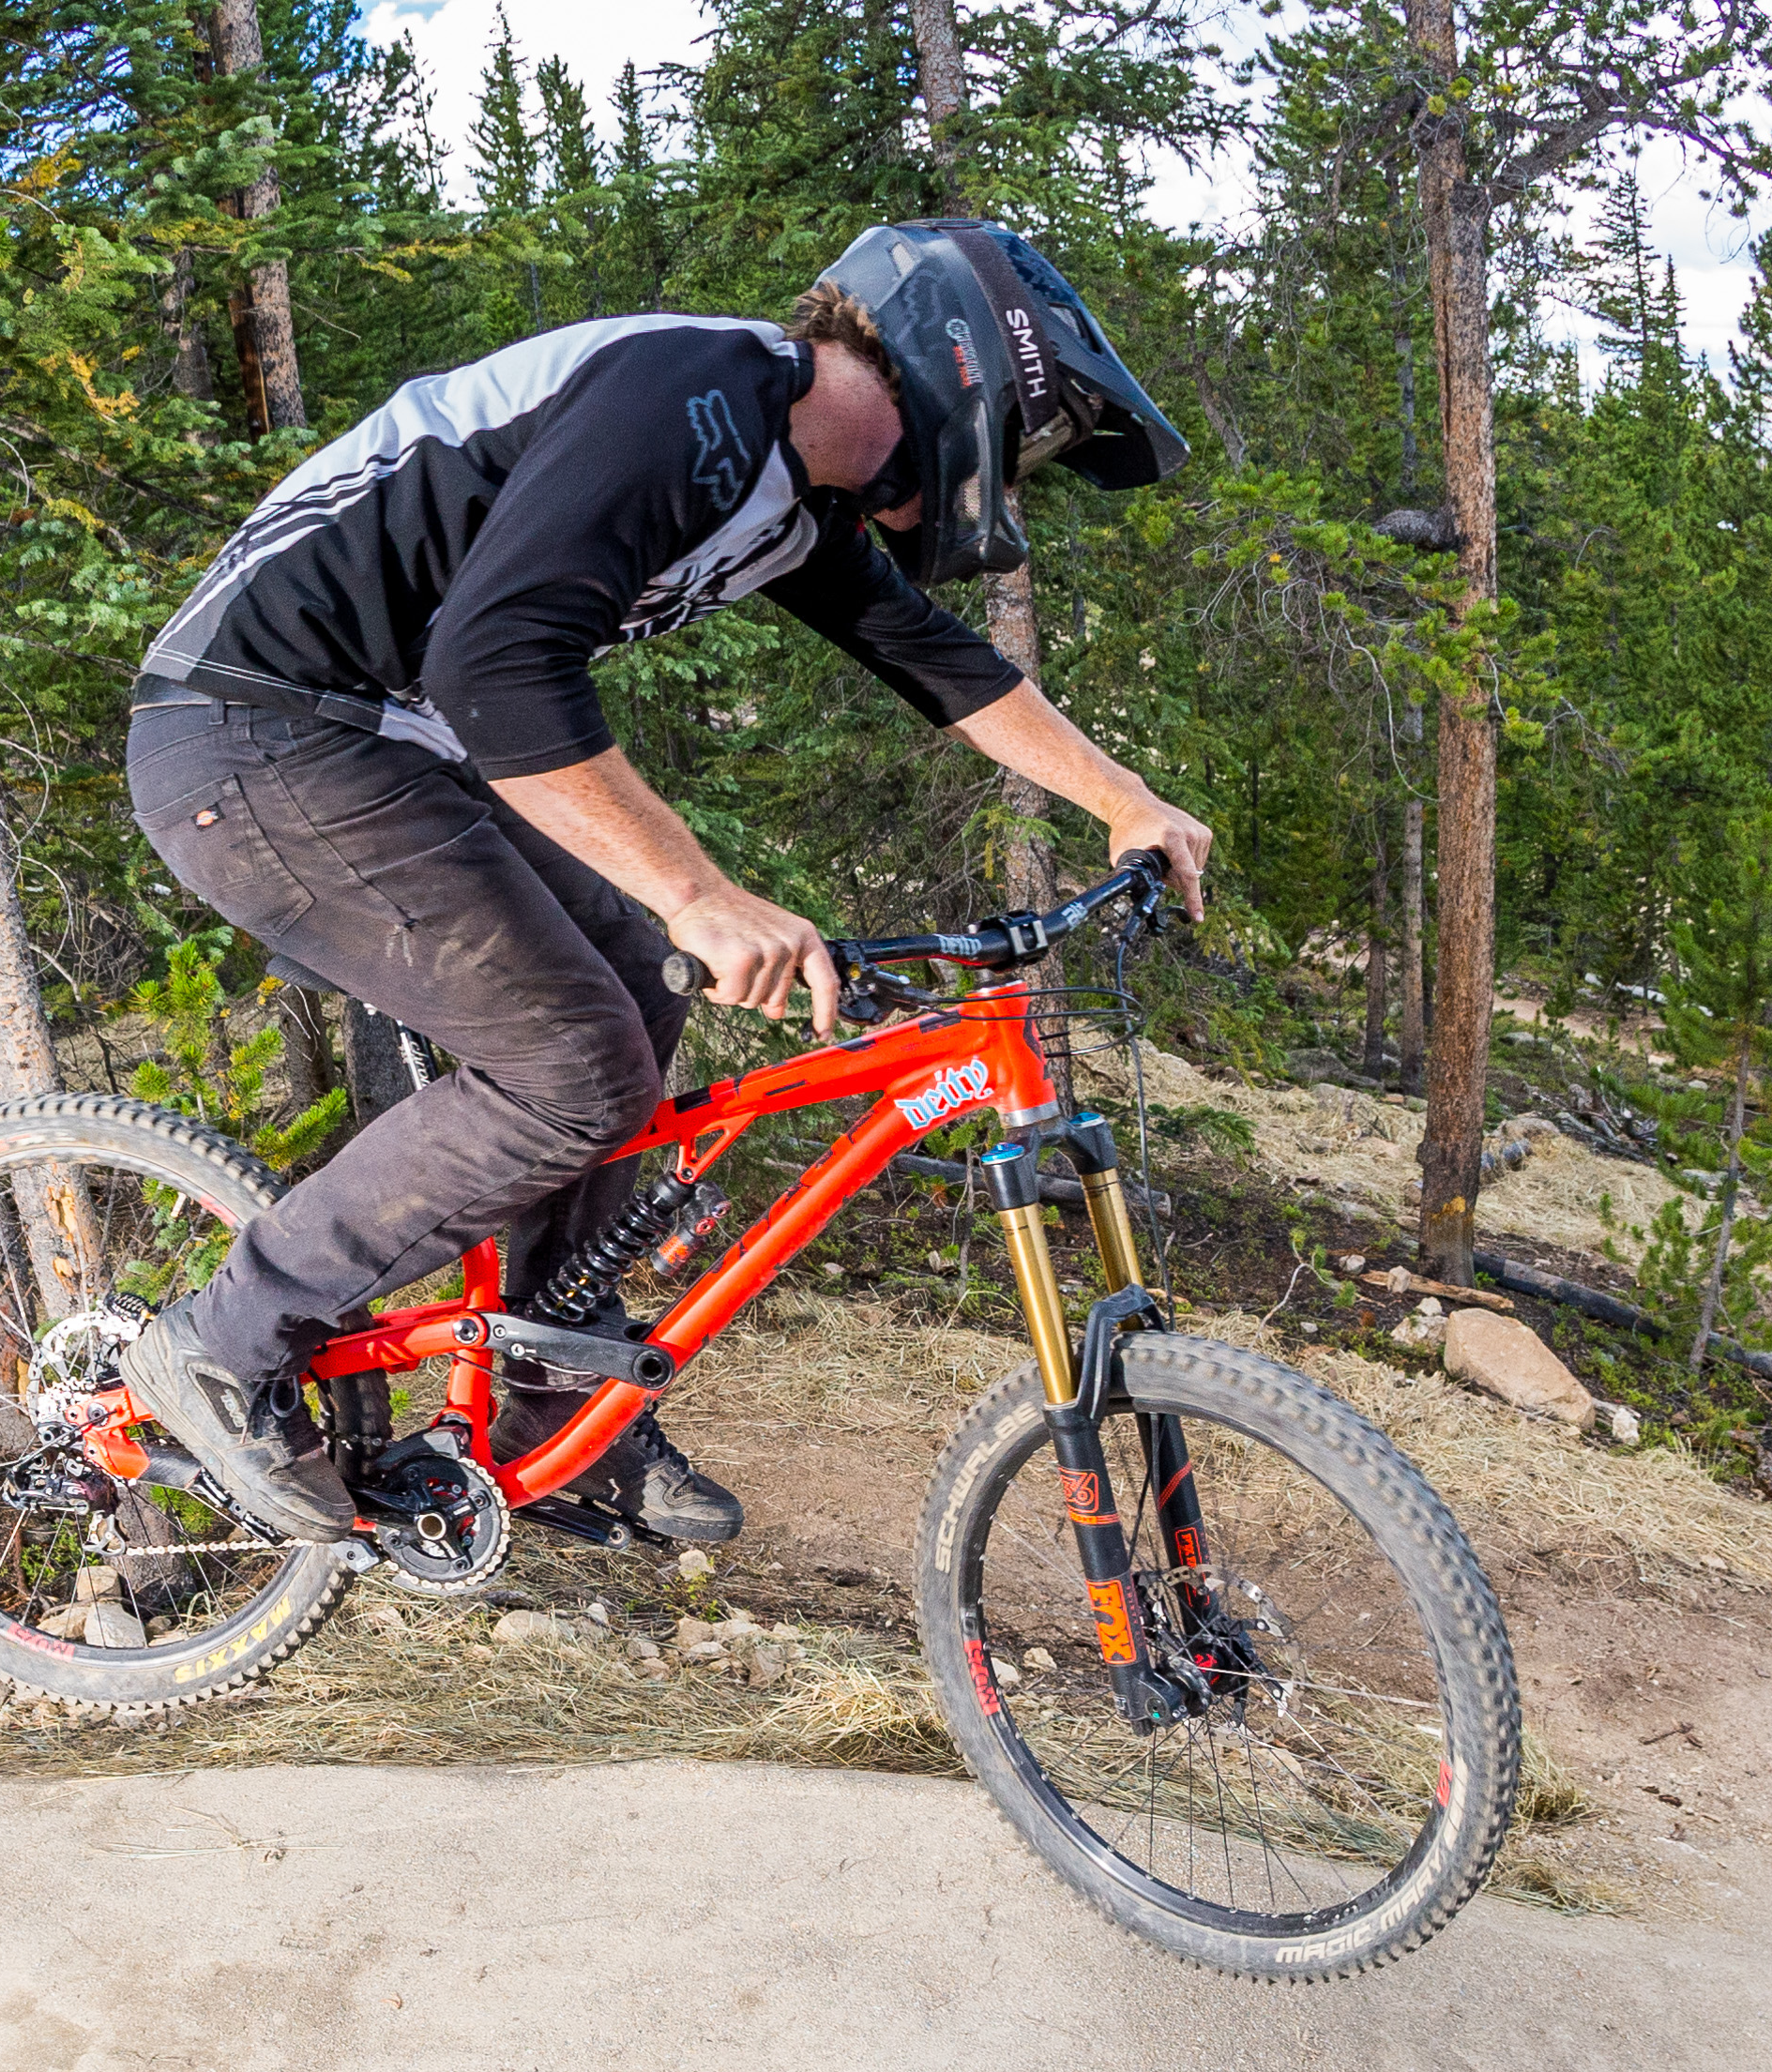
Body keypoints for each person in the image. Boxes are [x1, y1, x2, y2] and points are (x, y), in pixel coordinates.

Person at [121, 217, 1216, 1546]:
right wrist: (697, 891)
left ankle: (553, 1408)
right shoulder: (689, 392)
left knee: (633, 999)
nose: (1016, 485)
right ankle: (226, 1340)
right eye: (1030, 446)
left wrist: (1128, 805)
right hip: (255, 728)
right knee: (573, 1063)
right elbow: (496, 668)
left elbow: (942, 664)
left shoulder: (786, 497)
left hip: (375, 744)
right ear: (967, 377)